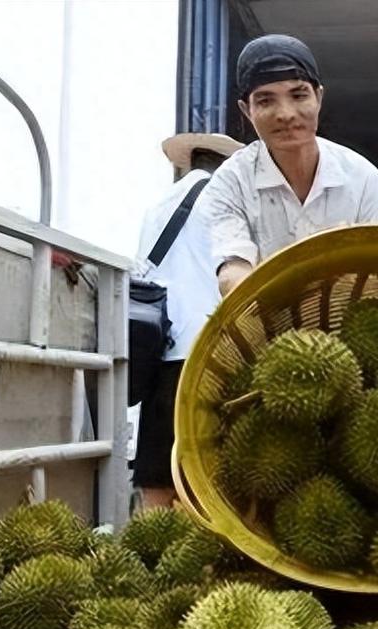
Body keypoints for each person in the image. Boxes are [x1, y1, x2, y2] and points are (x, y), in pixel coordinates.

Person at [207, 34, 378, 296]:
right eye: (266, 100)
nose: (286, 114)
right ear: (246, 111)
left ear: (318, 98)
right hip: (260, 321)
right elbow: (233, 272)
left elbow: (365, 273)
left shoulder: (361, 176)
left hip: (341, 323)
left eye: (299, 95)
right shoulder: (230, 181)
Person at [130, 131, 245, 510]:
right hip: (210, 350)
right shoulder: (226, 204)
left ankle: (149, 552)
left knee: (156, 473)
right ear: (228, 167)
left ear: (191, 161)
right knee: (210, 473)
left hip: (161, 351)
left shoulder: (158, 206)